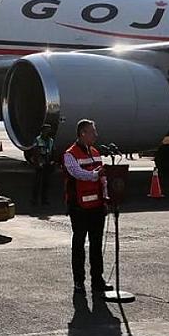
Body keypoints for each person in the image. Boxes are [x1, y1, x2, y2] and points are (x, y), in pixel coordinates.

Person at [63, 118, 110, 299]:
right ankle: (79, 282)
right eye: (92, 132)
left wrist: (106, 197)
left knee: (96, 244)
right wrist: (94, 174)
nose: (95, 135)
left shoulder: (96, 152)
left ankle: (97, 280)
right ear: (83, 134)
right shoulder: (70, 154)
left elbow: (103, 179)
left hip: (97, 206)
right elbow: (77, 173)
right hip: (79, 207)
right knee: (79, 244)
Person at [28, 124, 56, 208]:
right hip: (40, 163)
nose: (48, 132)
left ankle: (44, 200)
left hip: (47, 162)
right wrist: (37, 163)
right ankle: (34, 200)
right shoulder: (37, 140)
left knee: (46, 183)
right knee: (37, 183)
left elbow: (53, 151)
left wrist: (53, 161)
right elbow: (34, 152)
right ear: (42, 131)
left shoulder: (51, 140)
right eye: (46, 130)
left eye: (49, 130)